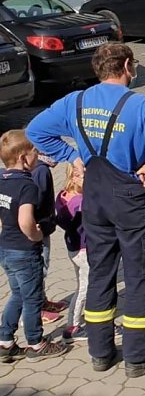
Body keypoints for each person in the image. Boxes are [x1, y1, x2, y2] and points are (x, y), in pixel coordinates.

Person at [25, 43, 145, 377]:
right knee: (139, 275)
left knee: (100, 271)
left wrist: (72, 157)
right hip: (130, 196)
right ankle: (138, 357)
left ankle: (100, 353)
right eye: (134, 64)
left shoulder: (76, 101)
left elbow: (35, 132)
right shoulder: (141, 105)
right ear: (127, 65)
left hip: (95, 198)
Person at [0, 130, 69, 362]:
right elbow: (25, 220)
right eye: (34, 153)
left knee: (17, 294)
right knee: (32, 298)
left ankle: (5, 341)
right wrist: (36, 235)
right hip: (24, 250)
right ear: (22, 158)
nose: (37, 156)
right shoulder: (26, 185)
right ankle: (36, 343)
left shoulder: (2, 179)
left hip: (6, 248)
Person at [31, 153, 67, 325]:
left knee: (43, 264)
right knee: (40, 267)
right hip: (39, 228)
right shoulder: (41, 171)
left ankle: (42, 300)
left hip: (42, 226)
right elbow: (36, 201)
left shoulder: (40, 168)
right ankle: (36, 310)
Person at [55, 164, 88, 341]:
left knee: (82, 285)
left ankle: (76, 321)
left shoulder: (62, 195)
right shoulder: (80, 201)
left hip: (73, 246)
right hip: (84, 249)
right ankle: (72, 327)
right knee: (86, 287)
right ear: (74, 176)